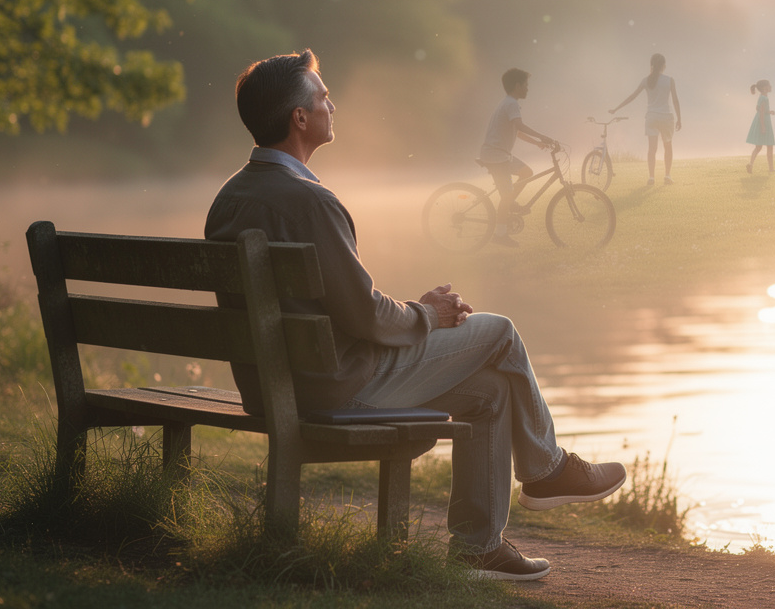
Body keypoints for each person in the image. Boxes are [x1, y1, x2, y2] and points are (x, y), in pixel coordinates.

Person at [205, 50, 625, 581]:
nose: (333, 103)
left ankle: (479, 548)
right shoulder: (310, 201)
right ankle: (546, 470)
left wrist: (412, 310)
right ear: (300, 118)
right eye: (323, 96)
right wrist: (426, 313)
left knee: (491, 391)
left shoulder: (229, 198)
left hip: (275, 384)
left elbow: (345, 309)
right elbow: (365, 318)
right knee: (500, 332)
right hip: (335, 386)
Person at [479, 67, 557, 247]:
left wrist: (537, 143)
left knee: (527, 172)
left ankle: (510, 203)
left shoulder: (509, 103)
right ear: (517, 86)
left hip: (501, 155)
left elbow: (517, 131)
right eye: (525, 85)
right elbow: (520, 126)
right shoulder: (511, 103)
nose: (527, 88)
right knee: (506, 196)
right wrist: (543, 137)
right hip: (496, 156)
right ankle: (500, 234)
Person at [610, 53, 682, 185]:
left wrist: (616, 109)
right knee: (668, 146)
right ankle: (667, 175)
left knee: (652, 149)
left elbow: (632, 97)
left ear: (651, 65)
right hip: (666, 117)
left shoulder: (646, 80)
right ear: (664, 66)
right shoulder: (670, 80)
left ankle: (651, 177)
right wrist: (679, 119)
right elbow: (675, 100)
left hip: (651, 117)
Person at [744, 79, 775, 174]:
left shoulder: (762, 97)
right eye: (769, 85)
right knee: (769, 146)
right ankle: (771, 168)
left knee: (758, 147)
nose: (771, 86)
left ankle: (751, 164)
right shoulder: (764, 98)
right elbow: (761, 112)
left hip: (761, 121)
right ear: (764, 88)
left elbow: (758, 109)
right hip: (764, 122)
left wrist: (769, 112)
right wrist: (763, 126)